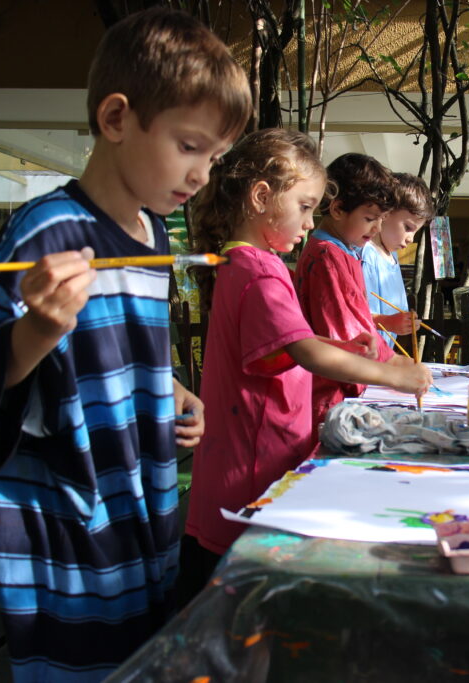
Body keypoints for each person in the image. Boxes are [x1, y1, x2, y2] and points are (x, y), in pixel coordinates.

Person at [0, 8, 250, 681]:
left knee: (140, 657)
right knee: (80, 666)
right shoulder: (47, 230)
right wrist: (36, 329)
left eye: (214, 158)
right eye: (189, 146)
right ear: (116, 119)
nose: (201, 175)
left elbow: (125, 349)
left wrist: (170, 390)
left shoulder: (154, 236)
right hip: (63, 515)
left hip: (141, 496)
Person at [181, 130, 433, 594]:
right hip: (251, 471)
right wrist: (393, 375)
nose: (309, 222)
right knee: (243, 599)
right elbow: (304, 353)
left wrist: (340, 346)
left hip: (243, 461)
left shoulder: (244, 263)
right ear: (261, 197)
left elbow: (279, 342)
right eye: (304, 206)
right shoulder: (259, 270)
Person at [295, 153, 416, 438]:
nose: (377, 228)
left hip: (340, 395)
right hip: (330, 399)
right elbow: (349, 342)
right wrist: (395, 368)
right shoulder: (327, 256)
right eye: (370, 218)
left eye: (381, 219)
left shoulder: (344, 251)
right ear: (337, 209)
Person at [363, 172, 434, 348]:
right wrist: (388, 322)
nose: (411, 239)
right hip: (365, 354)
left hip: (382, 355)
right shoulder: (366, 255)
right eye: (408, 227)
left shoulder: (391, 255)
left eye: (415, 232)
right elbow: (356, 317)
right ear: (386, 213)